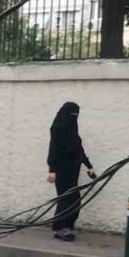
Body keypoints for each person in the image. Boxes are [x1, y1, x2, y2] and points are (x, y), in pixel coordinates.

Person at [46, 102, 96, 242]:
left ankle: (68, 225)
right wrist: (52, 170)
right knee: (65, 199)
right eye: (72, 114)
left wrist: (89, 166)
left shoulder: (73, 131)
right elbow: (53, 150)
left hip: (73, 170)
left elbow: (79, 150)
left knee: (75, 200)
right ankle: (60, 227)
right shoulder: (57, 130)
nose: (74, 117)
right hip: (61, 171)